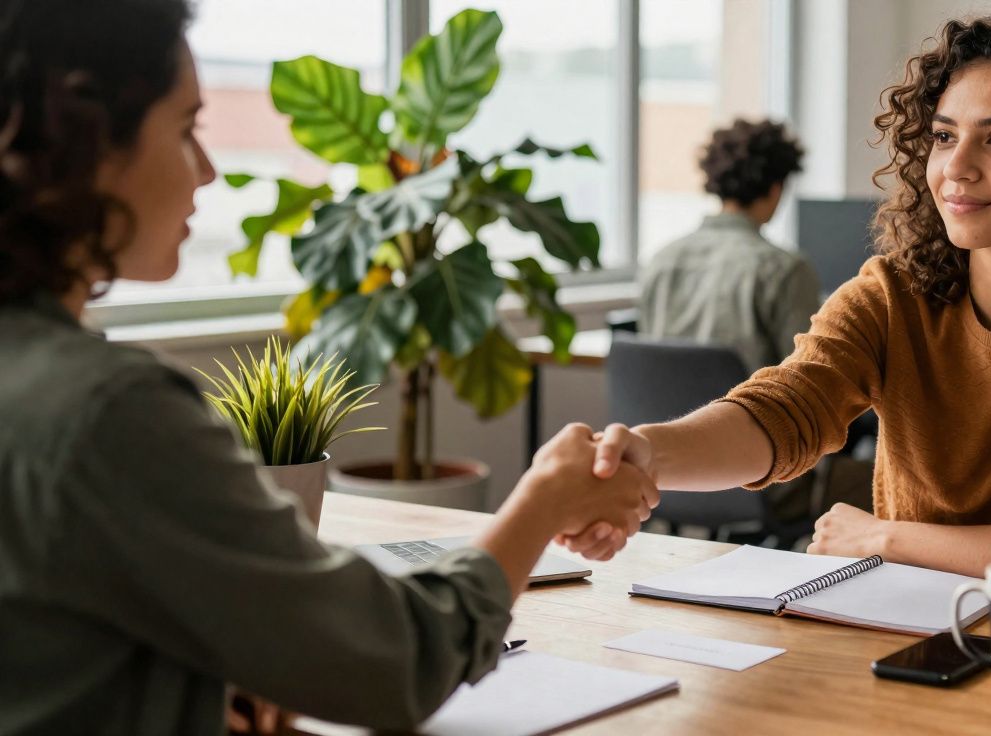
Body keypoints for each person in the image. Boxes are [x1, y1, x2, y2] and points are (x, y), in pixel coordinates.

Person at [0, 1, 655, 733]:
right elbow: (397, 660)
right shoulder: (109, 413)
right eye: (186, 130)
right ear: (84, 142)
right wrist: (539, 504)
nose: (209, 171)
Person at [566, 8, 991, 600]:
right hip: (906, 616)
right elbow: (785, 408)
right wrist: (649, 452)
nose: (957, 167)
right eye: (944, 136)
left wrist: (883, 538)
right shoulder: (893, 291)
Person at [639, 118, 819, 373]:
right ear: (776, 189)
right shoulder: (785, 270)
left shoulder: (660, 260)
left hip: (662, 412)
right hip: (748, 413)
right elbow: (808, 377)